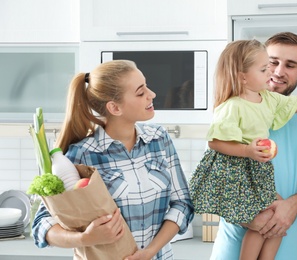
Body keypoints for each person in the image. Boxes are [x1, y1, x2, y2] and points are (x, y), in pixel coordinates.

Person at [190, 39, 297, 259]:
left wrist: (290, 208)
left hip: (294, 252)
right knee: (261, 223)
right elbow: (219, 182)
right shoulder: (234, 109)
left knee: (273, 226)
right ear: (246, 72)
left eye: (290, 65)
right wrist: (251, 217)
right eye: (270, 64)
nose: (276, 71)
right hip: (231, 250)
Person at [31, 60, 194, 260]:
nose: (152, 94)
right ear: (114, 108)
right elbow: (42, 225)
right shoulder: (82, 154)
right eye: (141, 92)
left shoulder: (160, 139)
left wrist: (149, 252)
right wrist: (85, 238)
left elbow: (182, 204)